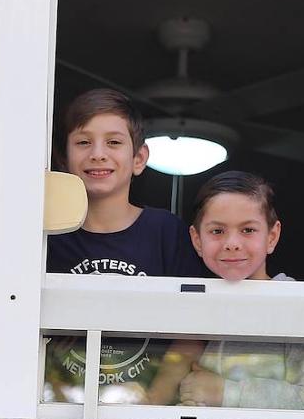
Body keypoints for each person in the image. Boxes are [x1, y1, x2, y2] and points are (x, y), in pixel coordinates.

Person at [43, 88, 205, 401]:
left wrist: (151, 404)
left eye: (114, 142)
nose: (98, 153)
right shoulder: (46, 239)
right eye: (83, 142)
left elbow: (192, 331)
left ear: (139, 159)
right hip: (61, 405)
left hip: (146, 402)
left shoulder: (166, 232)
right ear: (63, 158)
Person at [164, 171, 304, 411]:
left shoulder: (302, 306)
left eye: (247, 230)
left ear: (272, 236)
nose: (232, 243)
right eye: (217, 231)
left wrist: (225, 392)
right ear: (197, 240)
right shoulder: (199, 305)